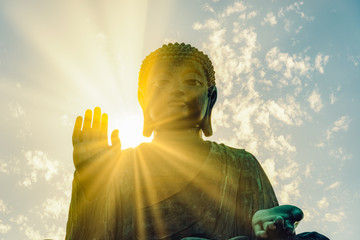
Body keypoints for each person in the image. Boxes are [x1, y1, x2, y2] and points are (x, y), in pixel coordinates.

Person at [66, 43, 328, 240]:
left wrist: (271, 229)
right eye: (161, 82)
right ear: (143, 100)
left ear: (210, 98)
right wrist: (92, 184)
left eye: (191, 81)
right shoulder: (120, 167)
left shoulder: (241, 164)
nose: (176, 90)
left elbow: (267, 230)